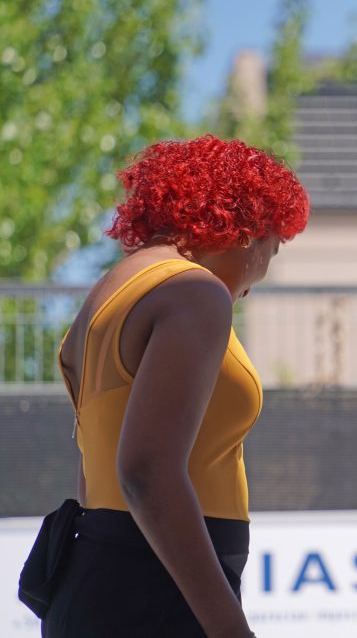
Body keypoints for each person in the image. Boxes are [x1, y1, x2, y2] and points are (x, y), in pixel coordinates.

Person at [43, 135, 309, 637]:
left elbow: (95, 473)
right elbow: (145, 472)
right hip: (158, 590)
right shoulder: (195, 292)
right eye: (272, 251)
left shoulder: (106, 292)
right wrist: (230, 628)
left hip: (97, 572)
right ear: (246, 229)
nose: (259, 278)